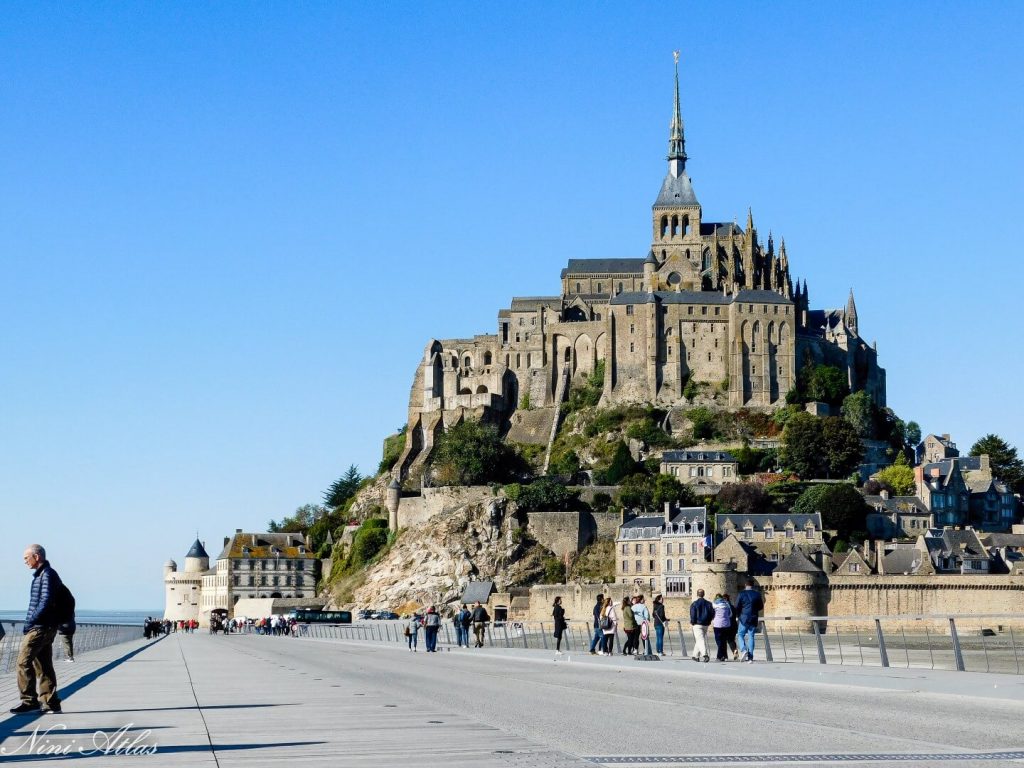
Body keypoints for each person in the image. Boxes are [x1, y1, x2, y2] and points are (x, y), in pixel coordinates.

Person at [11, 544, 63, 714]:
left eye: (27, 558)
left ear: (37, 556)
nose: (25, 561)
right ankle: (51, 702)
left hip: (41, 626)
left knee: (22, 661)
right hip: (46, 626)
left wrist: (30, 622)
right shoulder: (43, 575)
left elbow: (45, 601)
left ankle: (29, 701)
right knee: (44, 665)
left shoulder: (47, 574)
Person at [735, 578, 765, 663]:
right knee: (751, 636)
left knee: (740, 634)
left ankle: (744, 650)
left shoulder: (741, 594)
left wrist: (738, 614)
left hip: (744, 618)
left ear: (745, 585)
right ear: (753, 585)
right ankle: (750, 657)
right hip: (753, 617)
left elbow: (737, 606)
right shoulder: (757, 594)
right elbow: (760, 607)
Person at [689, 588, 714, 662]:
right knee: (700, 639)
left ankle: (705, 655)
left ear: (697, 594)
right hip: (706, 624)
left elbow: (693, 614)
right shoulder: (709, 604)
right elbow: (712, 613)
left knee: (700, 639)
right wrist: (709, 621)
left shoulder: (694, 604)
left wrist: (693, 622)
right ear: (704, 594)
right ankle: (695, 655)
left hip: (697, 624)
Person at [712, 593, 733, 661]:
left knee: (719, 641)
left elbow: (712, 614)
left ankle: (719, 656)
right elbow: (730, 614)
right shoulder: (727, 604)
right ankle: (725, 656)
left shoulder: (714, 605)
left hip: (717, 625)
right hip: (726, 624)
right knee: (724, 640)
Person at [723, 592, 740, 660]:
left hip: (726, 625)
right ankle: (734, 650)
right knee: (731, 640)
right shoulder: (733, 607)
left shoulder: (724, 607)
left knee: (723, 640)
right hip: (734, 625)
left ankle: (725, 656)